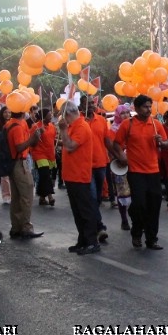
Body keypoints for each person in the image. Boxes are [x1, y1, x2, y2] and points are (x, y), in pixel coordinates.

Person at [112, 95, 168, 250]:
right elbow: (116, 144)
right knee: (139, 205)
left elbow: (166, 143)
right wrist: (122, 157)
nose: (148, 109)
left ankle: (151, 239)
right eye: (145, 107)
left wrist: (161, 142)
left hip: (153, 171)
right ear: (136, 109)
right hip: (135, 171)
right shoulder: (127, 124)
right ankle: (137, 232)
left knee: (154, 205)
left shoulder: (156, 124)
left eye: (150, 106)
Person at [59, 104, 100, 254]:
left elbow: (70, 146)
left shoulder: (81, 127)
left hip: (79, 175)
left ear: (68, 114)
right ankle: (83, 240)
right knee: (77, 211)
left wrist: (63, 130)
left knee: (85, 210)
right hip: (71, 175)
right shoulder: (73, 126)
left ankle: (91, 242)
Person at [5, 106, 45, 239]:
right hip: (19, 162)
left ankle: (16, 227)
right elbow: (20, 146)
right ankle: (26, 227)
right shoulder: (16, 126)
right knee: (26, 195)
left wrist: (33, 138)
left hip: (14, 162)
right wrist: (32, 139)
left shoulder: (12, 123)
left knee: (17, 197)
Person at [86, 102, 115, 242]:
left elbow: (107, 141)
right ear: (81, 105)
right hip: (86, 166)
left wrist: (116, 155)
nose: (91, 105)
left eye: (92, 103)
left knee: (97, 198)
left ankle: (93, 223)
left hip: (101, 164)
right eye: (88, 103)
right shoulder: (78, 121)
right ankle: (100, 227)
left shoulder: (102, 120)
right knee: (92, 197)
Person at [31, 108, 57, 207]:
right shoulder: (35, 127)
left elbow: (53, 140)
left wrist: (62, 143)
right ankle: (50, 197)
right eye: (49, 115)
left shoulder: (52, 126)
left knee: (43, 177)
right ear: (43, 116)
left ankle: (42, 198)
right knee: (45, 174)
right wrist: (39, 134)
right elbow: (32, 143)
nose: (51, 116)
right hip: (39, 154)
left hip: (50, 154)